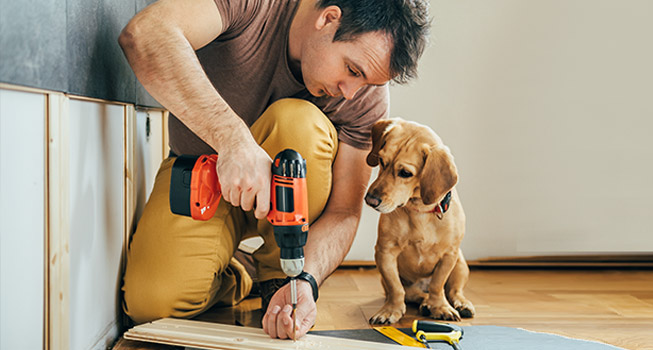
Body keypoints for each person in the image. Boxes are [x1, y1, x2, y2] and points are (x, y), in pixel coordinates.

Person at [118, 0, 430, 340]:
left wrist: (306, 279)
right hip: (202, 170)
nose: (351, 93)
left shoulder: (364, 97)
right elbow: (146, 34)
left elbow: (344, 212)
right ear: (329, 19)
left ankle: (279, 275)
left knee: (297, 122)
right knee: (152, 304)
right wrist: (233, 140)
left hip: (288, 207)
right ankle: (242, 270)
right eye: (352, 70)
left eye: (367, 82)